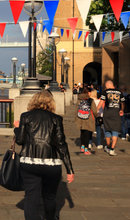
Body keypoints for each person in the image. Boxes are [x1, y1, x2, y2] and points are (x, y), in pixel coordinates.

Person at [14, 90, 74, 220]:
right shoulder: (56, 119)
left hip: (29, 162)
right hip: (51, 164)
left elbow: (19, 141)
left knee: (31, 197)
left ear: (33, 101)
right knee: (50, 197)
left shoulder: (26, 116)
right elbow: (61, 145)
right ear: (51, 102)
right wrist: (69, 169)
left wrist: (16, 129)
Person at [98, 80, 125, 156]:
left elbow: (102, 102)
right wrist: (122, 110)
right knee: (115, 131)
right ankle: (112, 149)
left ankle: (108, 146)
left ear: (107, 85)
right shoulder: (120, 92)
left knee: (107, 130)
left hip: (107, 113)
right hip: (116, 113)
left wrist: (96, 110)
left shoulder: (105, 92)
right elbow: (122, 102)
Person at [76, 87, 97, 155]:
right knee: (88, 135)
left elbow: (76, 109)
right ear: (88, 93)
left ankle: (82, 146)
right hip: (89, 119)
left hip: (80, 118)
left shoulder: (79, 99)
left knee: (82, 133)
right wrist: (97, 116)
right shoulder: (90, 100)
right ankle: (86, 149)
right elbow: (94, 111)